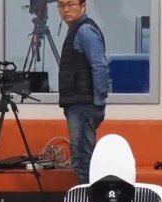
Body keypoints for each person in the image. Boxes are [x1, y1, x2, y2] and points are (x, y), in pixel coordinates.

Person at [58, 0, 109, 184]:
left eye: (70, 4)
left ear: (83, 5)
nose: (65, 9)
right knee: (81, 160)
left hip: (83, 105)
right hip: (76, 103)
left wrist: (98, 103)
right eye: (61, 5)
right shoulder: (75, 30)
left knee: (83, 161)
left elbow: (100, 67)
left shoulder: (85, 31)